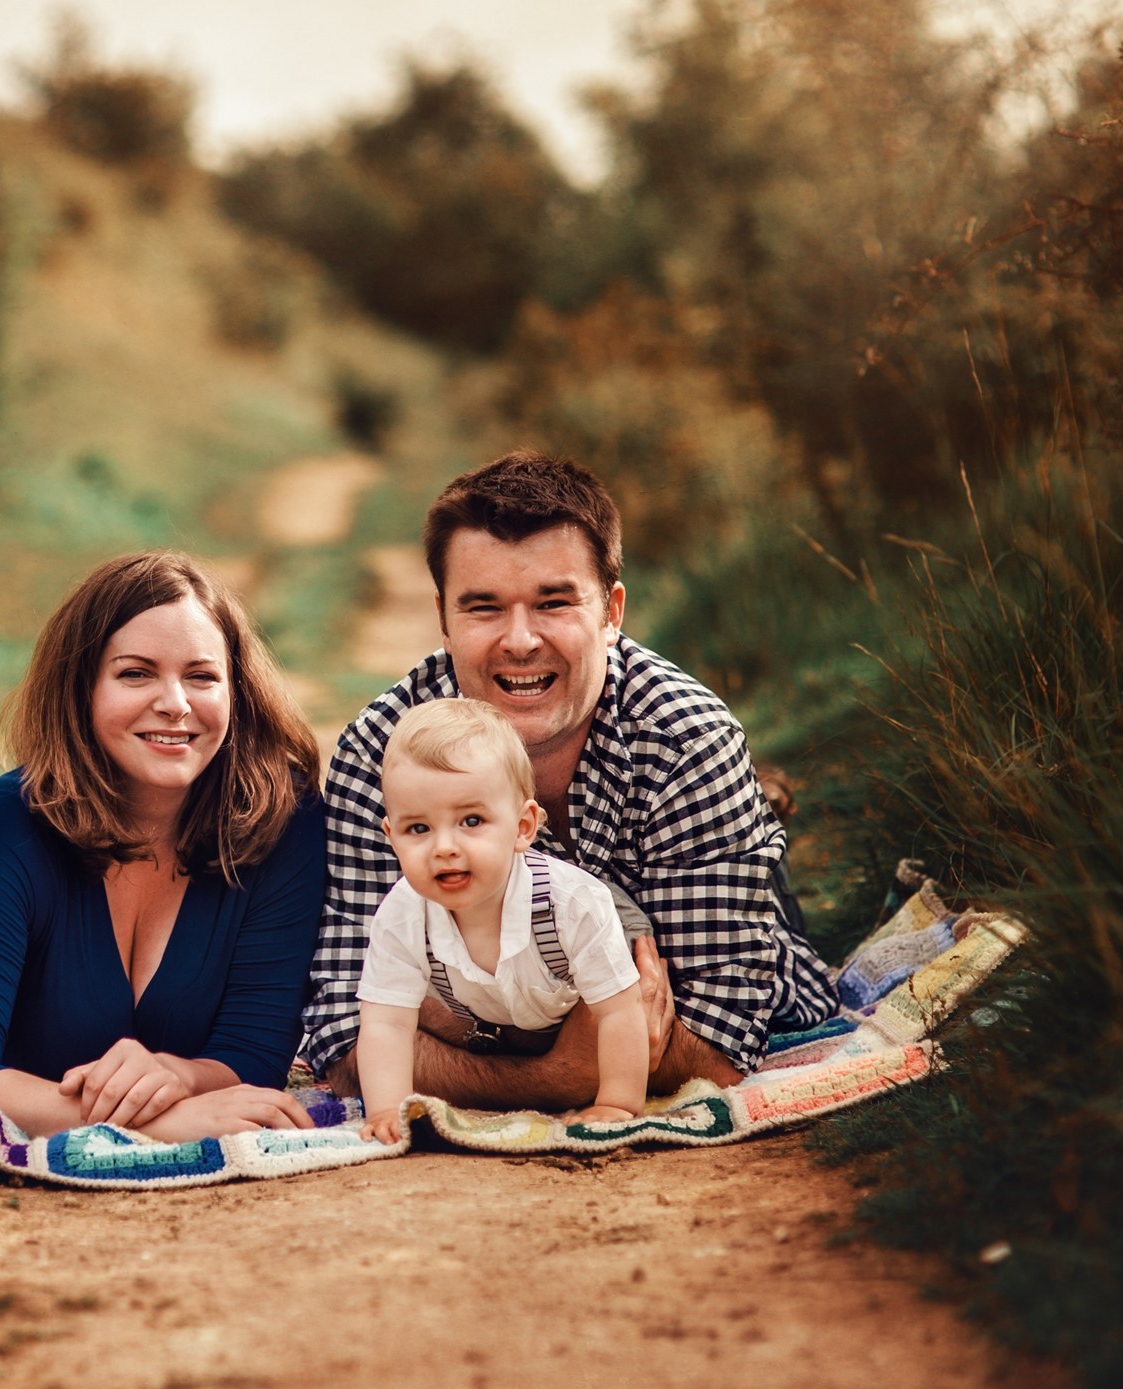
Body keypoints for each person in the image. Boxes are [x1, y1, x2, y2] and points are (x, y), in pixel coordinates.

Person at [304, 450, 839, 1107]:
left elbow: (722, 1045)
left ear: (611, 612)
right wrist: (564, 1070)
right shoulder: (381, 751)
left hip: (683, 855)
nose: (520, 641)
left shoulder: (686, 741)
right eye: (484, 608)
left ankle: (752, 819)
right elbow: (344, 1041)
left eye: (553, 602)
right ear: (443, 619)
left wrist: (441, 1033)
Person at [0, 550, 326, 1141]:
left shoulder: (284, 817)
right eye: (135, 674)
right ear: (80, 689)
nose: (175, 703)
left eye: (202, 676)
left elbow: (253, 1055)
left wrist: (176, 1074)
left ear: (237, 690)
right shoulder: (8, 824)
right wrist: (163, 1122)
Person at [356, 699, 645, 1143]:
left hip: (596, 942)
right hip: (506, 1008)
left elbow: (619, 1010)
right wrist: (386, 1109)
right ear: (391, 837)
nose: (444, 847)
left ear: (523, 827)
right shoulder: (402, 915)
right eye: (419, 829)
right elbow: (386, 1023)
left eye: (471, 820)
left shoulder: (575, 905)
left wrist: (618, 1102)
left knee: (631, 983)